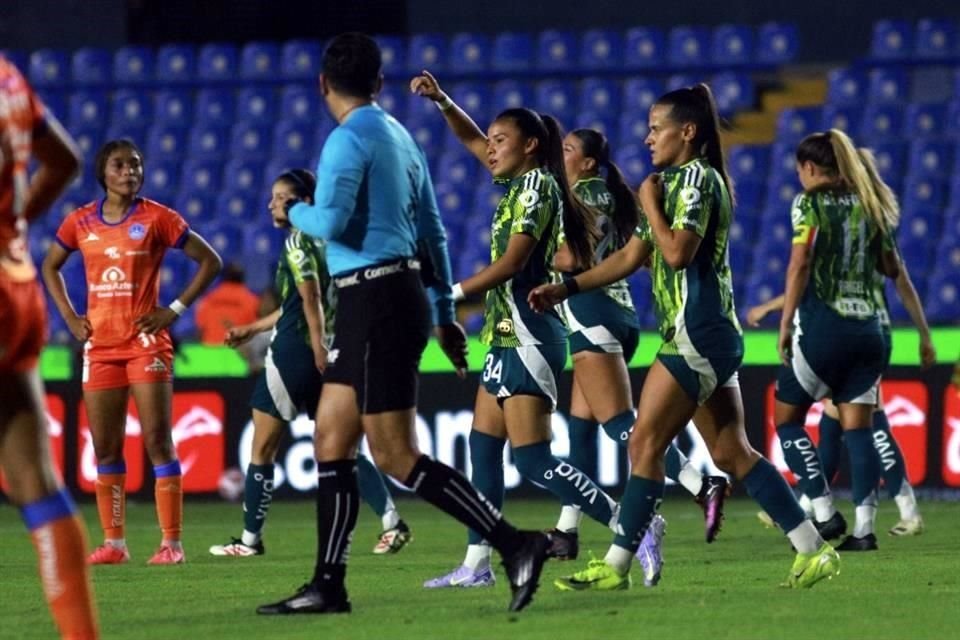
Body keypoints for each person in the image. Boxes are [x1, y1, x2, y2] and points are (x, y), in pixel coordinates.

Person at [256, 33, 551, 616]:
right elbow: (434, 234)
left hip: (375, 299)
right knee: (332, 439)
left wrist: (296, 211)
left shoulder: (346, 141)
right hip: (395, 296)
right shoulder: (400, 137)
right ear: (380, 84)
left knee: (394, 455)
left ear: (323, 85)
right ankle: (328, 584)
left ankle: (517, 543)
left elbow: (333, 221)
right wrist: (443, 315)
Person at [529, 84, 839, 591]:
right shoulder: (674, 181)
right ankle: (813, 548)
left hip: (696, 333)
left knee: (645, 443)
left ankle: (616, 565)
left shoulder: (694, 180)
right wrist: (565, 287)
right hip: (706, 333)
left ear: (687, 131)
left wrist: (649, 203)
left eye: (657, 128)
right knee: (732, 453)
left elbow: (676, 254)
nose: (648, 138)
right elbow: (631, 258)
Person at [409, 72, 624, 590]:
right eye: (491, 141)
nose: (489, 149)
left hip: (529, 333)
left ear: (529, 146)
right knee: (482, 447)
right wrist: (442, 101)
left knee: (531, 459)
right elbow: (471, 140)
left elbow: (511, 264)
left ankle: (629, 521)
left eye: (500, 141)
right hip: (505, 333)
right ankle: (478, 562)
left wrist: (449, 294)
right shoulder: (518, 182)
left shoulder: (537, 188)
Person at [209, 169, 412, 557]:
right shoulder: (336, 240)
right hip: (336, 353)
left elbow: (309, 299)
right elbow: (297, 305)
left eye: (280, 196)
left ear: (302, 202)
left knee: (262, 447)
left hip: (296, 354)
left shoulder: (299, 240)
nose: (271, 203)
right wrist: (253, 328)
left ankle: (250, 540)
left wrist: (315, 346)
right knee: (342, 446)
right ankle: (391, 522)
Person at [43, 139, 222, 566]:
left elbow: (210, 261)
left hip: (145, 345)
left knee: (159, 440)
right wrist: (69, 318)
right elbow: (49, 265)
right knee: (106, 448)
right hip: (100, 348)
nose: (129, 172)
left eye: (135, 165)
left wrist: (173, 310)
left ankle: (172, 545)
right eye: (120, 165)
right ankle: (115, 545)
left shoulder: (158, 217)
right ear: (103, 173)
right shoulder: (80, 222)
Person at [556, 128, 729, 570]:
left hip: (592, 313)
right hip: (615, 311)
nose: (562, 154)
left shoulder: (587, 192)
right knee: (580, 426)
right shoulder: (609, 192)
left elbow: (577, 256)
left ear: (589, 162)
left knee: (622, 425)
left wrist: (532, 253)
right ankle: (566, 529)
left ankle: (697, 483)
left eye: (569, 149)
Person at [747, 183, 935, 537]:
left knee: (867, 425)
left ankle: (899, 510)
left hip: (856, 331)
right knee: (839, 426)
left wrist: (773, 311)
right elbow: (893, 274)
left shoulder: (840, 219)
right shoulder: (865, 218)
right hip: (867, 331)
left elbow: (806, 274)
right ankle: (811, 505)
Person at [0, 54, 99, 639]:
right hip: (15, 284)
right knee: (35, 479)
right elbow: (64, 159)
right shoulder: (8, 74)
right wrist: (16, 226)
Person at [194, 262, 260, 345]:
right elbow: (254, 330)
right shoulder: (252, 301)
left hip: (210, 350)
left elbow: (200, 328)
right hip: (236, 352)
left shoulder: (208, 298)